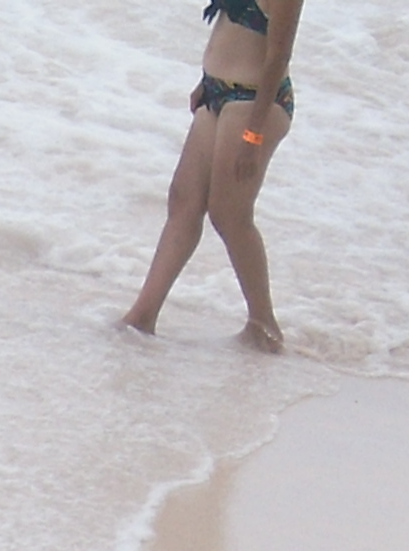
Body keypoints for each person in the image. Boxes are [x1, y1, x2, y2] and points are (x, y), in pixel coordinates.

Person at [123, 0, 306, 350]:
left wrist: (254, 134)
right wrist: (204, 80)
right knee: (183, 200)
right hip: (217, 91)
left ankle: (264, 326)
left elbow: (278, 57)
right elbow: (228, 25)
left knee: (230, 215)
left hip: (254, 103)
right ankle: (142, 315)